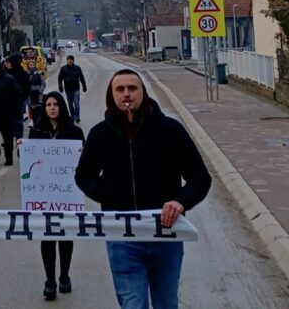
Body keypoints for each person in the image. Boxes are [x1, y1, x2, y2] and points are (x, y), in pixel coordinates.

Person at [75, 69, 212, 309]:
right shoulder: (100, 135)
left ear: (143, 93)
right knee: (133, 304)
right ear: (111, 95)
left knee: (166, 303)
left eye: (132, 88)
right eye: (120, 89)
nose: (126, 94)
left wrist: (181, 201)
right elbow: (83, 176)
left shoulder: (170, 131)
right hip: (122, 236)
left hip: (166, 235)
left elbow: (200, 178)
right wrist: (106, 194)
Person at [17, 92, 84, 300]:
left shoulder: (74, 131)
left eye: (55, 104)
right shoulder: (37, 131)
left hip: (67, 195)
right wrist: (21, 149)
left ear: (61, 107)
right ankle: (50, 280)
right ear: (44, 108)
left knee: (65, 236)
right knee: (47, 236)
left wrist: (83, 152)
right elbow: (29, 159)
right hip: (44, 195)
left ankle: (64, 275)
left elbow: (86, 161)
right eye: (48, 104)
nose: (52, 108)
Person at [58, 55, 87, 123]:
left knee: (76, 104)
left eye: (71, 59)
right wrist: (60, 86)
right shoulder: (63, 69)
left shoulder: (77, 68)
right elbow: (60, 78)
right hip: (68, 89)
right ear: (67, 60)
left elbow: (81, 77)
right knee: (70, 104)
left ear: (73, 60)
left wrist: (84, 86)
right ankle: (73, 116)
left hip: (76, 89)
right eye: (68, 59)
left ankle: (77, 117)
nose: (70, 60)